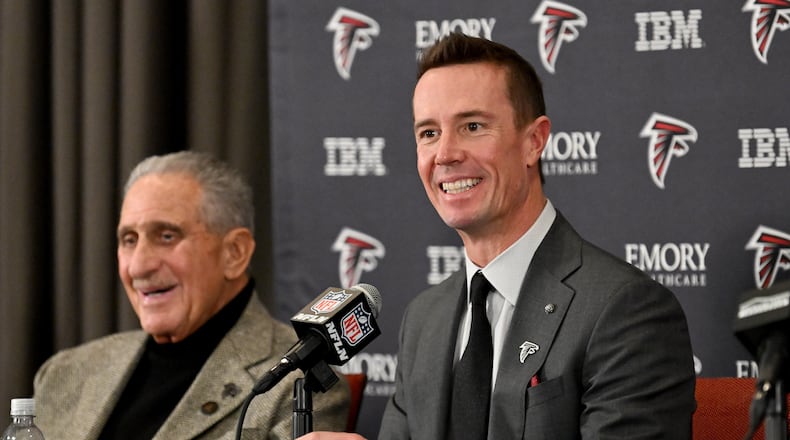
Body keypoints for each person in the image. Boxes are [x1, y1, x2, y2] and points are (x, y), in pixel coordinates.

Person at [301, 32, 696, 440]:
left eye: (472, 126)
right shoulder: (424, 320)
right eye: (429, 133)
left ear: (534, 142)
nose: (445, 154)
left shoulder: (625, 311)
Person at [33, 151, 350, 440]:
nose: (139, 266)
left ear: (234, 253)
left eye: (167, 236)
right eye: (129, 239)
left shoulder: (298, 383)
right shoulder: (63, 374)